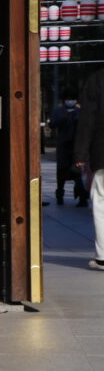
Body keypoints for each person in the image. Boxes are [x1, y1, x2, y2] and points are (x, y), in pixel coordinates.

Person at [75, 70, 104, 270]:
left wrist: (80, 153)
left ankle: (103, 255)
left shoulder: (96, 80)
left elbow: (88, 119)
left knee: (102, 202)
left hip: (102, 152)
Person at [49, 89, 89, 206]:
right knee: (61, 173)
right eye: (68, 98)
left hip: (77, 146)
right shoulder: (58, 111)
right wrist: (64, 118)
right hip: (63, 146)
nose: (70, 101)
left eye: (72, 98)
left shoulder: (80, 111)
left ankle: (82, 198)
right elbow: (52, 124)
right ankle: (60, 196)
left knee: (78, 173)